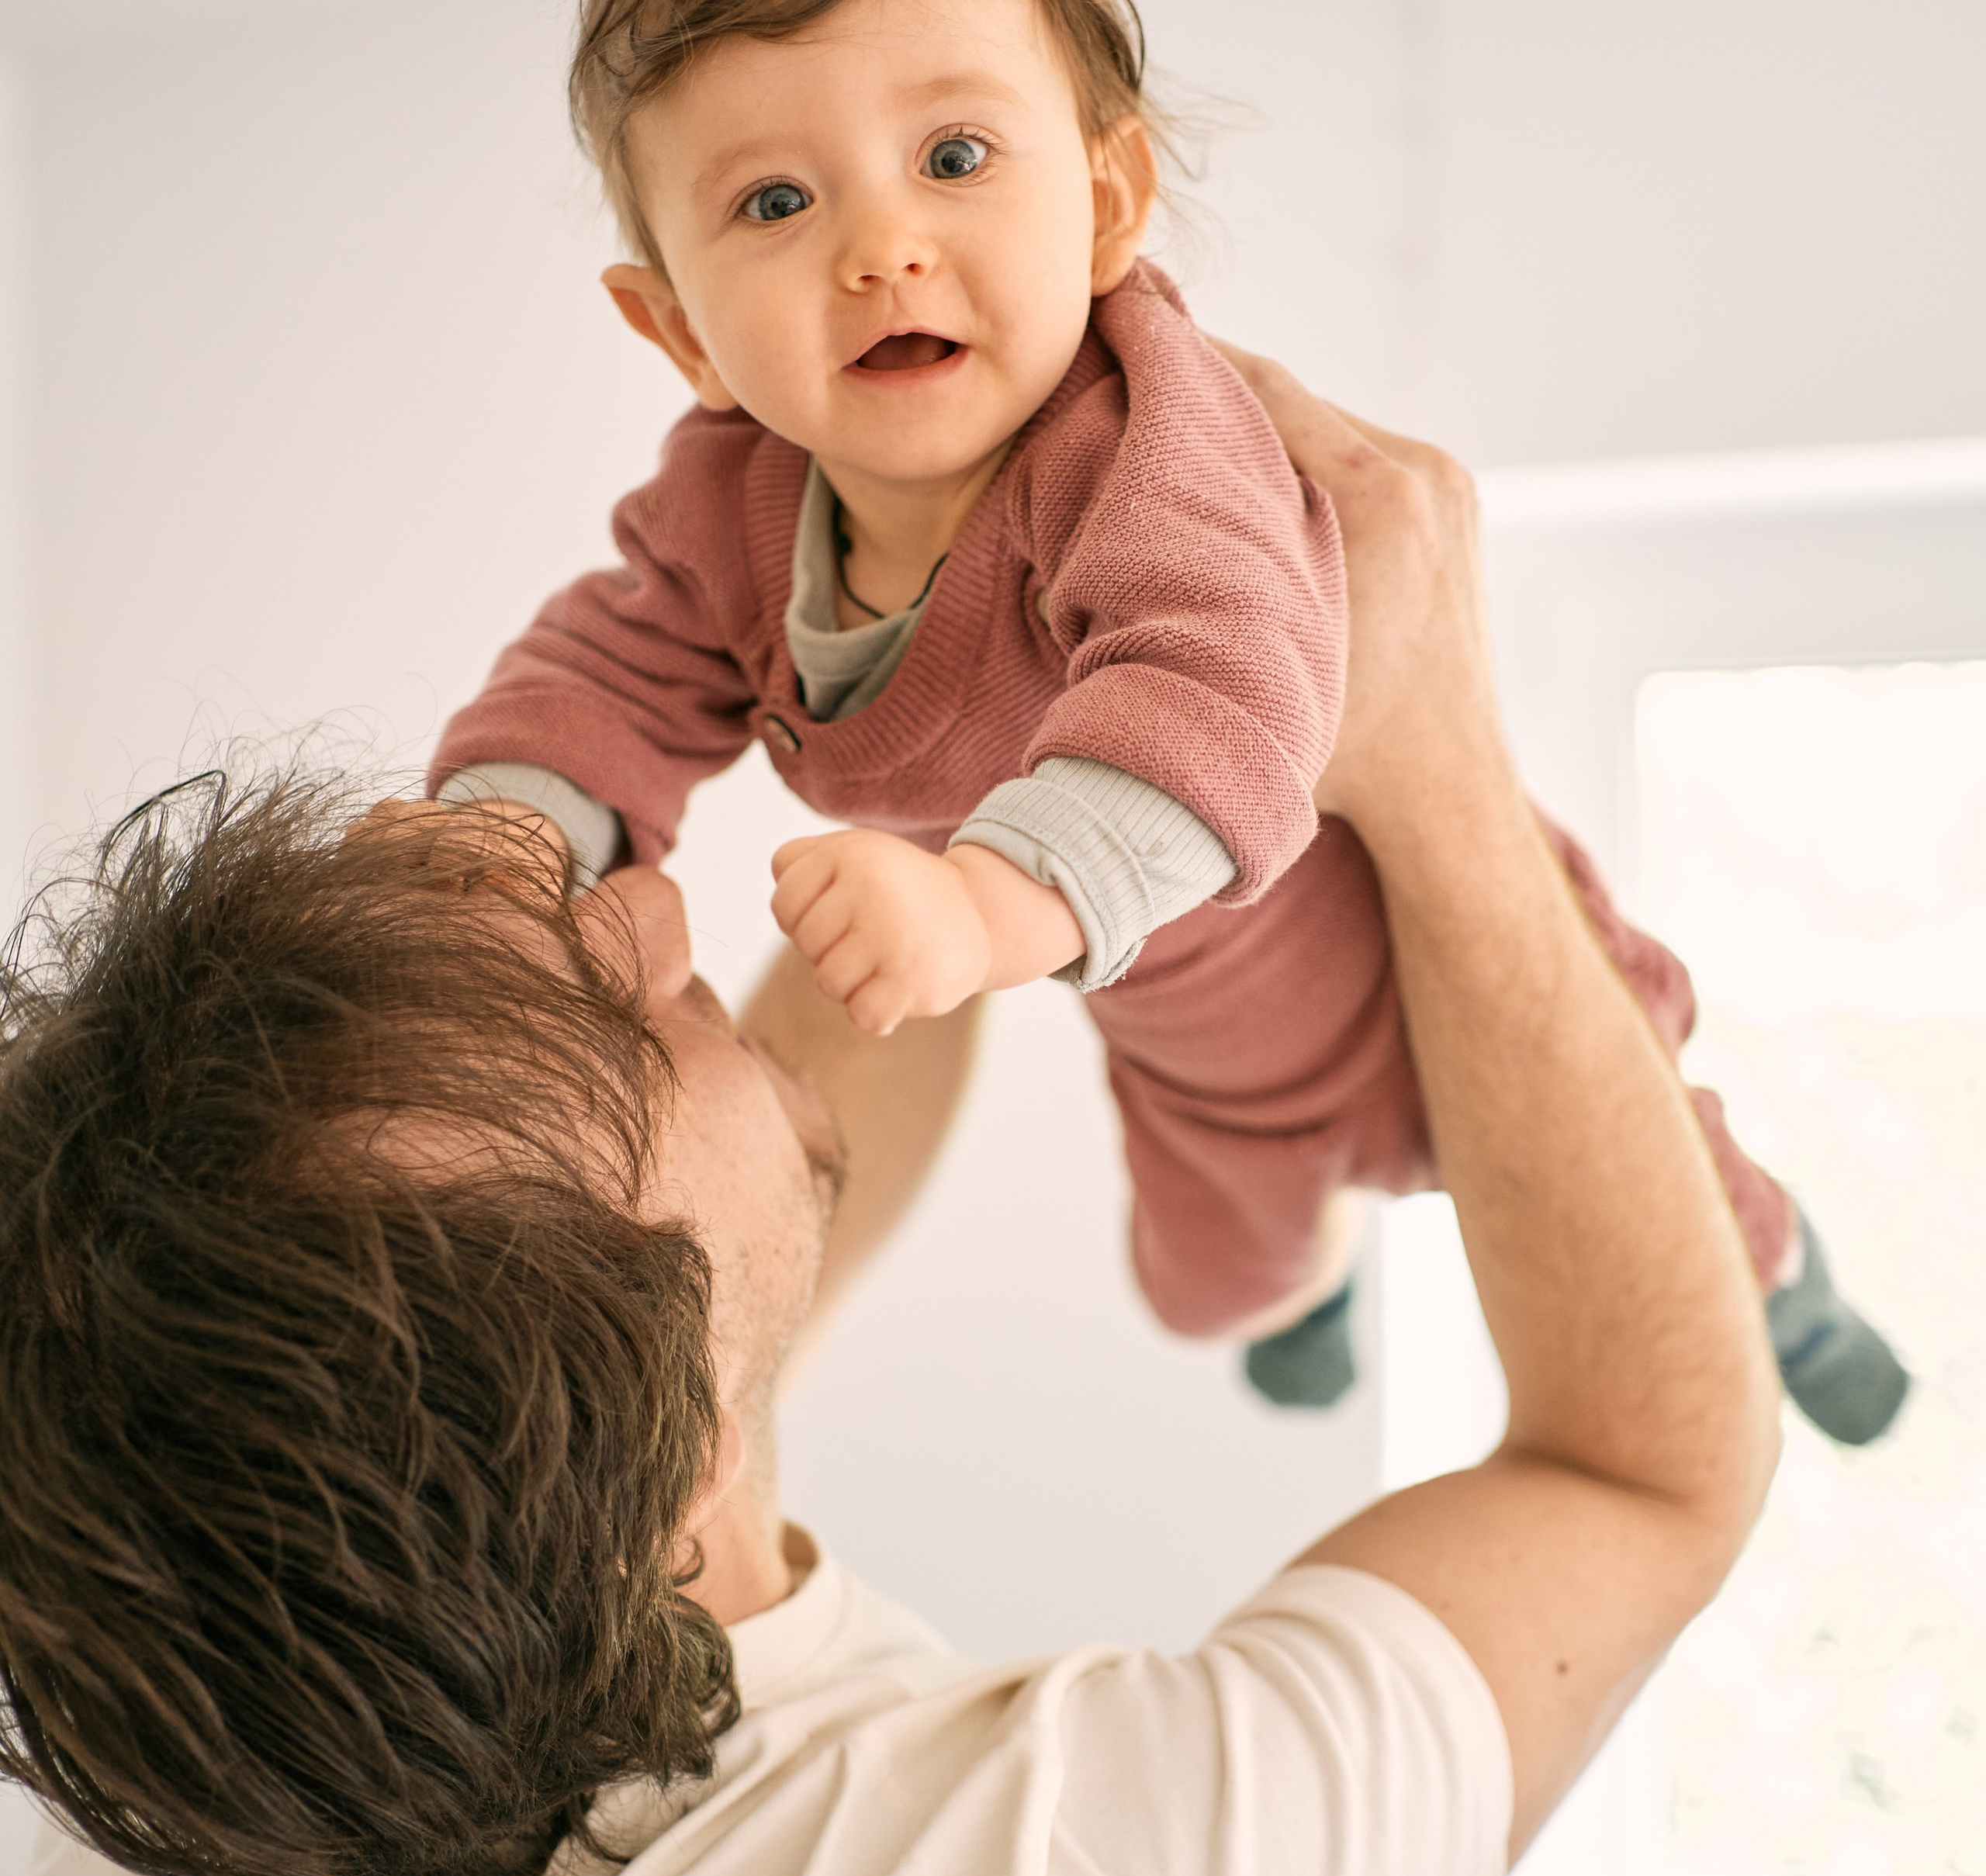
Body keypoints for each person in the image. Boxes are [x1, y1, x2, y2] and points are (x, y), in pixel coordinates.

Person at [5, 359, 1780, 1876]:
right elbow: (1637, 1470)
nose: (647, 902)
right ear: (669, 1486)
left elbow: (789, 1125)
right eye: (604, 1035)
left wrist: (968, 710)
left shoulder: (184, 1826)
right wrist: (1428, 747)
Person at [433, 0, 1905, 1437]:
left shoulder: (1141, 446)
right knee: (1203, 1295)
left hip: (1448, 973)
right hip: (1201, 1071)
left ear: (1106, 200)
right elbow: (607, 672)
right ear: (676, 326)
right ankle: (1321, 1284)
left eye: (954, 157)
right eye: (775, 200)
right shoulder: (726, 503)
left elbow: (1215, 695)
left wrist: (980, 909)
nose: (882, 248)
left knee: (1683, 1209)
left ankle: (1799, 1293)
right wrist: (502, 836)